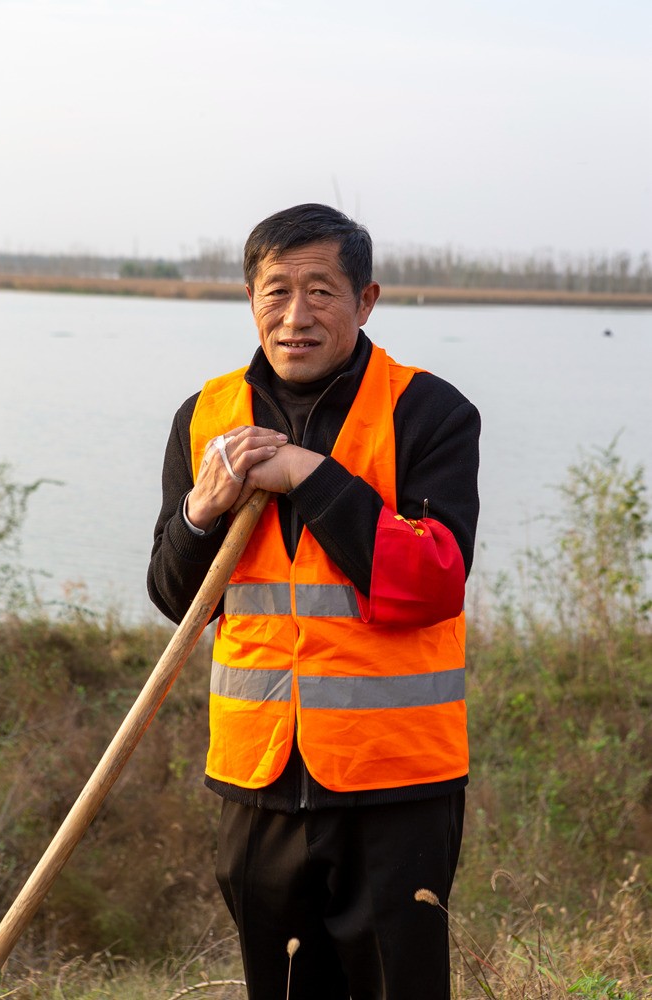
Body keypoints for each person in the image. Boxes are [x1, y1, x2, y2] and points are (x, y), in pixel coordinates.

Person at [148, 203, 480, 999]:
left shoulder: (428, 412)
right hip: (255, 779)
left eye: (321, 291)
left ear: (365, 301)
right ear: (250, 298)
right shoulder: (205, 418)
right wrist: (200, 512)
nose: (295, 316)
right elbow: (173, 598)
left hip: (395, 782)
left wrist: (309, 475)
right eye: (276, 291)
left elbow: (432, 581)